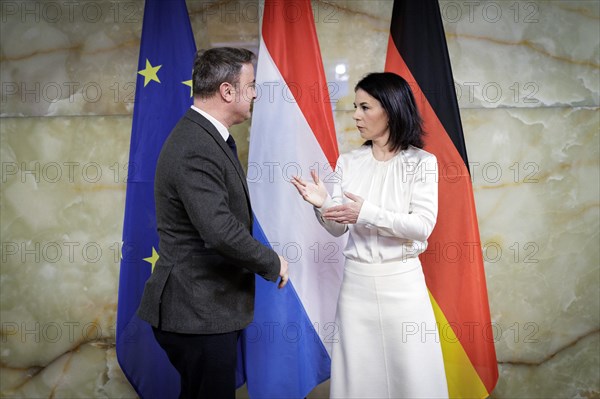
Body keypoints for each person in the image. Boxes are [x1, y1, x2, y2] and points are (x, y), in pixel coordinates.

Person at [137, 47, 289, 399]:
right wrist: (274, 261)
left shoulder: (206, 137)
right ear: (227, 91)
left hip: (205, 309)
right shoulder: (196, 145)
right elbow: (219, 231)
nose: (254, 93)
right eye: (250, 85)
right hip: (197, 311)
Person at [292, 72, 448, 398]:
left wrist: (367, 213)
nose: (356, 116)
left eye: (365, 107)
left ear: (390, 110)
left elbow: (421, 226)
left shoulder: (422, 163)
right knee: (360, 378)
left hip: (403, 286)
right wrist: (322, 205)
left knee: (413, 374)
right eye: (355, 107)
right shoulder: (349, 162)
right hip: (356, 287)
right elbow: (338, 228)